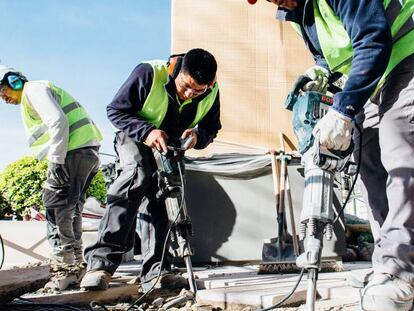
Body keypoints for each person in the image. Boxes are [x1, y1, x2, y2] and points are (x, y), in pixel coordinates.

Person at [256, 0, 414, 310]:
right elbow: (332, 52)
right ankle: (387, 265)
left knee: (400, 154)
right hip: (374, 74)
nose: (273, 0)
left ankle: (400, 269)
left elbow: (372, 35)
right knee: (370, 168)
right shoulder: (297, 13)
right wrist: (321, 70)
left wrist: (343, 109)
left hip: (405, 49)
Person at [81, 48, 221, 291]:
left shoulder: (211, 91)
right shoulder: (149, 73)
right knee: (137, 175)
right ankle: (100, 265)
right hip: (135, 135)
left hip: (170, 143)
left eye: (198, 91)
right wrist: (147, 131)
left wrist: (198, 136)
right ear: (178, 71)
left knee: (165, 195)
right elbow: (115, 110)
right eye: (186, 86)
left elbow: (211, 126)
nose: (189, 94)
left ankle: (157, 271)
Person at [0, 65, 102, 264]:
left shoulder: (33, 89)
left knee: (56, 205)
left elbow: (57, 121)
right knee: (72, 208)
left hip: (72, 152)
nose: (3, 98)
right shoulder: (36, 93)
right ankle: (75, 261)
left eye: (2, 90)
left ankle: (63, 264)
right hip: (85, 153)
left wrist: (55, 161)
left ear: (14, 81)